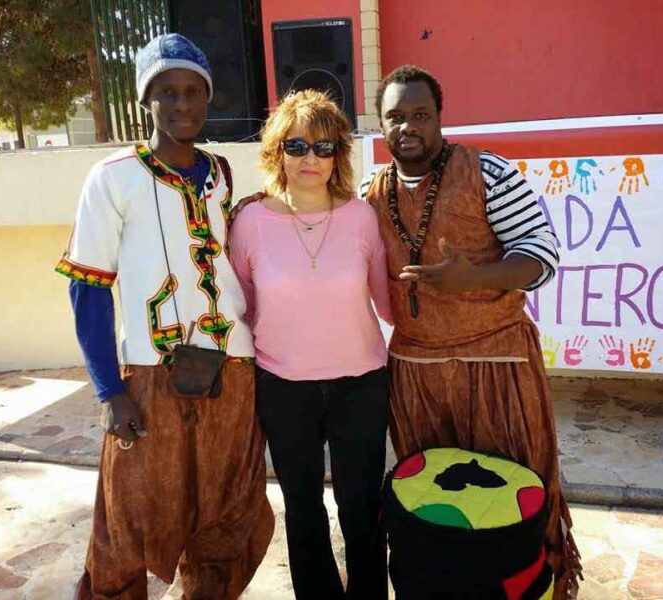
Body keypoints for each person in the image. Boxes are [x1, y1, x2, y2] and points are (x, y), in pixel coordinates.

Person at [55, 33, 273, 599]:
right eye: (167, 92)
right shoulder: (112, 177)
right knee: (128, 523)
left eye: (193, 92)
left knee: (228, 514)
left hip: (232, 370)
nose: (182, 105)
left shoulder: (222, 173)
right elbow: (88, 289)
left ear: (208, 98)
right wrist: (110, 391)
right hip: (150, 376)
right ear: (145, 101)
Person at [359, 64, 582, 599]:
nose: (408, 127)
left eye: (420, 115)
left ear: (440, 116)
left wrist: (471, 279)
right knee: (438, 501)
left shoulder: (490, 174)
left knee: (515, 489)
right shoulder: (371, 193)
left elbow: (542, 257)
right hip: (416, 374)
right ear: (380, 123)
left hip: (496, 362)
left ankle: (534, 585)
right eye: (395, 117)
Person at [228, 89, 392, 600]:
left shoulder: (363, 217)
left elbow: (387, 305)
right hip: (283, 388)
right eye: (297, 146)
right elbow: (242, 309)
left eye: (324, 148)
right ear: (277, 150)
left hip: (360, 384)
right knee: (302, 507)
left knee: (361, 505)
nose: (311, 159)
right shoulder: (250, 221)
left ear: (338, 155)